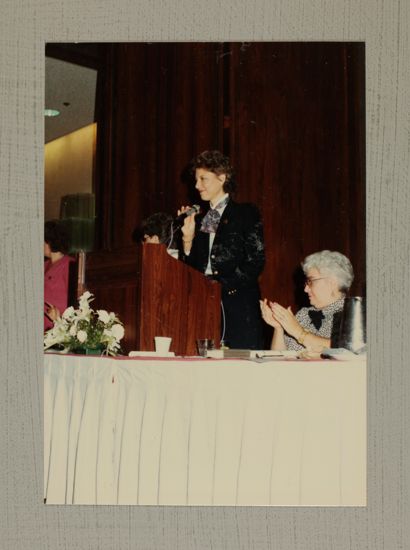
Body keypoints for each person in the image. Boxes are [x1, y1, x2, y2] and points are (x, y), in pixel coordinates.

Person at [179, 150, 265, 349]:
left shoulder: (245, 213)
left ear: (222, 178)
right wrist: (187, 241)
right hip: (204, 303)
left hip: (238, 305)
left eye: (203, 179)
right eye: (196, 179)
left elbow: (256, 261)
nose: (197, 185)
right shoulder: (200, 219)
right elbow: (191, 270)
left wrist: (221, 286)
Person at [260, 250, 354, 352]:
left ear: (331, 283)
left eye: (310, 281)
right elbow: (278, 358)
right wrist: (278, 328)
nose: (305, 289)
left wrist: (298, 331)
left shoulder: (351, 315)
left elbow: (343, 350)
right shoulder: (304, 314)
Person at [44, 220, 74, 331]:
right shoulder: (44, 265)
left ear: (49, 242)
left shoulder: (69, 264)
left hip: (58, 329)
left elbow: (78, 298)